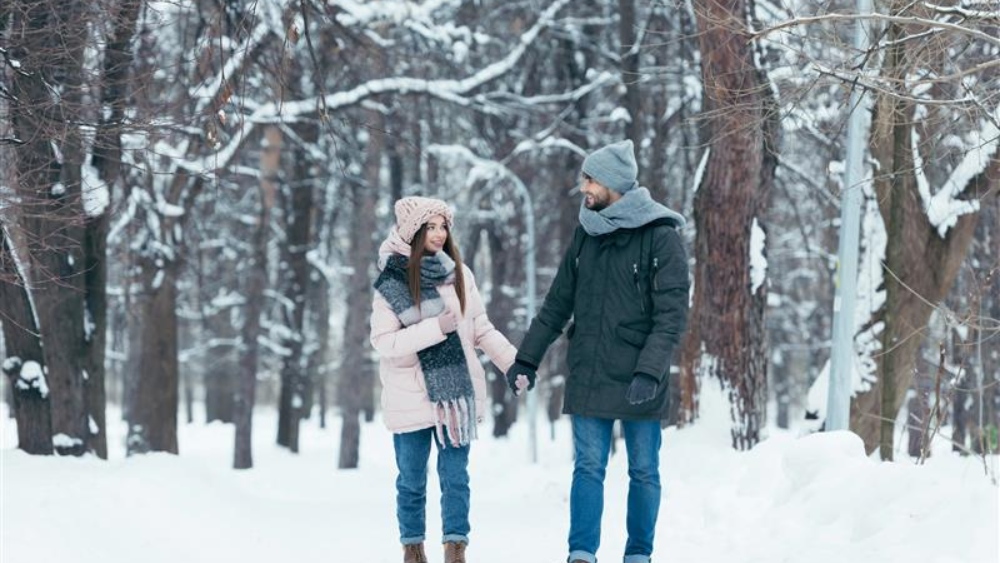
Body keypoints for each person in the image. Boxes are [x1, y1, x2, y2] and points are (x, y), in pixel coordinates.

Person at [506, 140, 689, 563]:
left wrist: (650, 371)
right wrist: (526, 359)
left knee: (643, 470)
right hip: (590, 371)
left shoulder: (660, 236)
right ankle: (582, 553)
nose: (583, 187)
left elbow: (672, 314)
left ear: (613, 183)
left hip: (640, 376)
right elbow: (557, 304)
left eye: (590, 180)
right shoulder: (585, 235)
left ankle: (638, 554)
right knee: (588, 467)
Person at [371, 196, 517, 563]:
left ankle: (455, 548)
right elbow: (384, 342)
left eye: (443, 227)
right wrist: (435, 327)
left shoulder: (460, 274)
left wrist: (513, 363)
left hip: (455, 396)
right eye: (431, 227)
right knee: (411, 480)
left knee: (456, 477)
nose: (439, 234)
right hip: (410, 396)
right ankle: (413, 549)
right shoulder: (392, 280)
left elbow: (480, 328)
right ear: (413, 231)